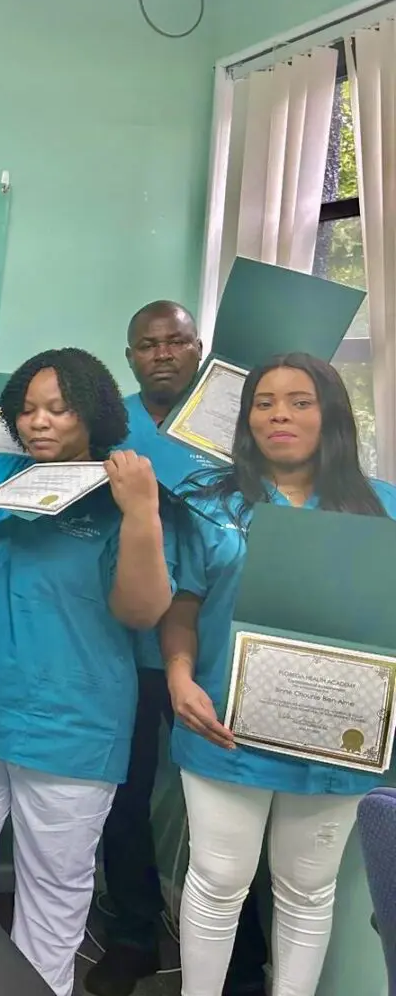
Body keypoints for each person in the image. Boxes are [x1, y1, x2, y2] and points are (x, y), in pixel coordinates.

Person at [0, 349, 175, 996]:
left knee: (54, 896)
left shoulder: (122, 489)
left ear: (92, 413)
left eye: (58, 409)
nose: (39, 423)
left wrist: (141, 511)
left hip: (75, 727)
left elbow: (142, 611)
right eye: (28, 409)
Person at [162, 353, 395, 996]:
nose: (279, 414)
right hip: (221, 723)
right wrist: (180, 678)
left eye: (300, 401)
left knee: (308, 889)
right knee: (216, 879)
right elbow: (183, 603)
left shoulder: (383, 511)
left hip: (334, 734)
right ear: (245, 417)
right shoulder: (207, 502)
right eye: (263, 402)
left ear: (333, 416)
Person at [88, 302, 268, 996]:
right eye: (146, 345)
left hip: (214, 650)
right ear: (130, 356)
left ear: (200, 348)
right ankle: (134, 935)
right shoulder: (111, 425)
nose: (162, 354)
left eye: (177, 341)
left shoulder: (236, 422)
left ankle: (243, 961)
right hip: (124, 647)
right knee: (126, 796)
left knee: (229, 806)